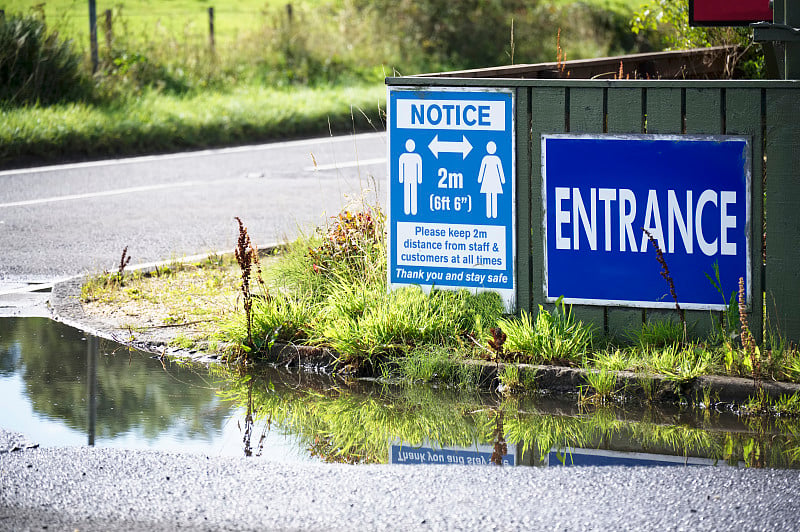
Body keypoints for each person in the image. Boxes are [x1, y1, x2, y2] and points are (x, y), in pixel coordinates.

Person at [477, 141, 504, 218]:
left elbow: (500, 170)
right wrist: (479, 179)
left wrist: (502, 179)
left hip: (493, 180)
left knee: (492, 196)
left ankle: (493, 214)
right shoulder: (486, 159)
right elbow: (482, 169)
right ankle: (489, 214)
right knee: (489, 196)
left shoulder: (496, 159)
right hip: (488, 180)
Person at [399, 139, 423, 215]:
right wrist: (401, 178)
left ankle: (414, 210)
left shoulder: (417, 157)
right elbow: (400, 168)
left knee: (413, 193)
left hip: (414, 178)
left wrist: (419, 179)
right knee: (407, 193)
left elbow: (419, 168)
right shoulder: (403, 156)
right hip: (407, 178)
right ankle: (406, 210)